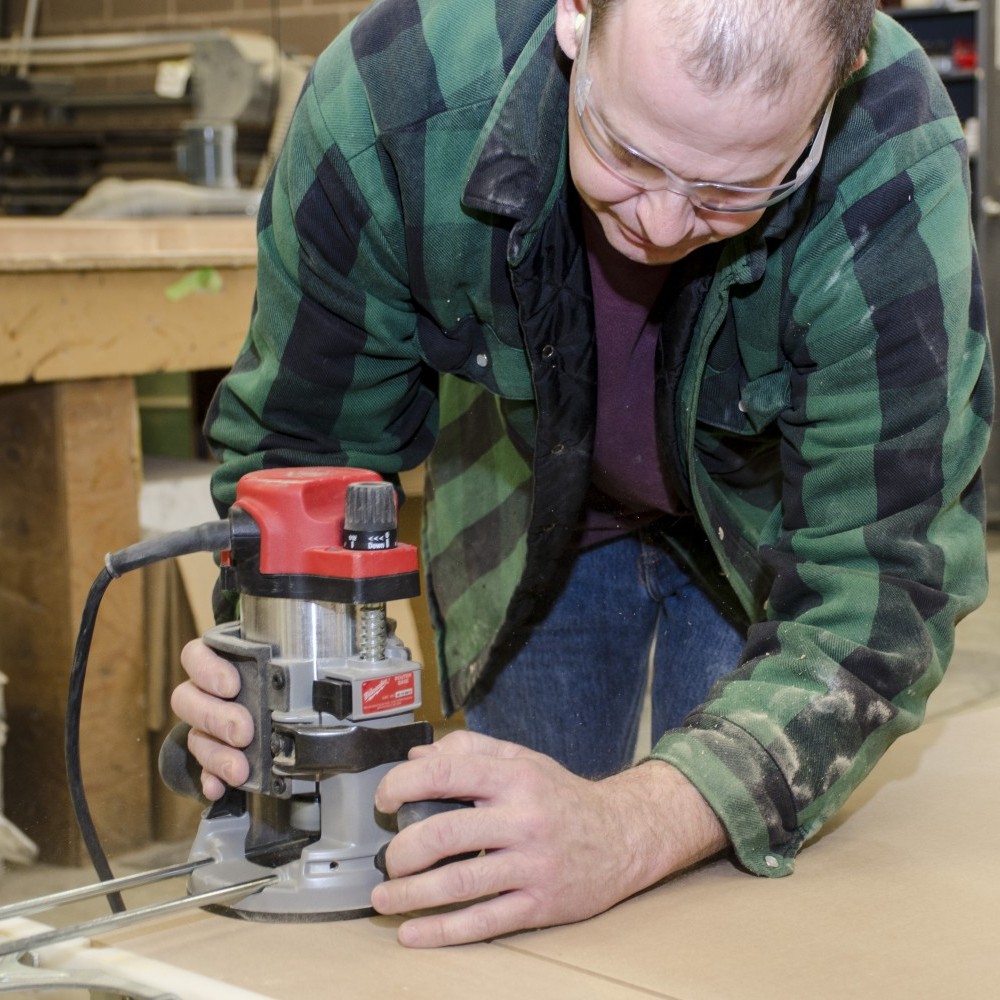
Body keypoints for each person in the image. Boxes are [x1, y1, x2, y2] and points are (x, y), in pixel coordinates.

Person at [171, 0, 993, 948]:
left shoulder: (888, 143)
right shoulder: (394, 98)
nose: (662, 222)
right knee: (508, 895)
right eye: (628, 155)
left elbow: (879, 589)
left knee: (733, 911)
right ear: (576, 15)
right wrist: (268, 676)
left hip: (762, 528)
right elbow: (303, 450)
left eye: (733, 191)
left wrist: (636, 825)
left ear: (835, 90)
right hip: (527, 508)